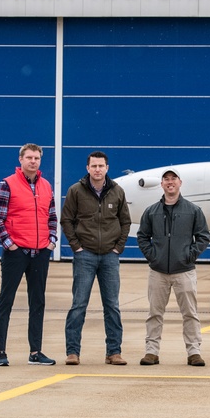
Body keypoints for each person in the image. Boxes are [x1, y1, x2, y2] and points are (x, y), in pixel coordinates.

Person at [60, 151, 132, 366]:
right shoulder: (76, 191)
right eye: (94, 166)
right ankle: (73, 352)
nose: (98, 169)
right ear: (87, 168)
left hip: (110, 257)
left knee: (112, 306)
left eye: (101, 166)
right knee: (78, 305)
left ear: (107, 168)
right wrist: (76, 247)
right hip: (85, 256)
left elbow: (125, 222)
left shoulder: (117, 191)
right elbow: (66, 220)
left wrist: (118, 248)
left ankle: (114, 352)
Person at [0, 143, 58, 366]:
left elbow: (52, 217)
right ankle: (0, 350)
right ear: (21, 159)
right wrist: (10, 245)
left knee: (37, 301)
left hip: (40, 252)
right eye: (29, 157)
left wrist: (52, 242)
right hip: (16, 252)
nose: (33, 161)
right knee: (6, 300)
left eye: (37, 158)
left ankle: (35, 352)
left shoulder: (47, 186)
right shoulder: (6, 184)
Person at [136, 168, 210, 367]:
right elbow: (142, 236)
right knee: (154, 313)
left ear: (180, 182)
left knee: (190, 313)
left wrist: (189, 255)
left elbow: (203, 237)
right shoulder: (151, 211)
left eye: (173, 179)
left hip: (184, 271)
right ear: (161, 184)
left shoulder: (193, 210)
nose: (170, 182)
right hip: (158, 271)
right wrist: (153, 256)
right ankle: (151, 352)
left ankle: (194, 352)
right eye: (166, 179)